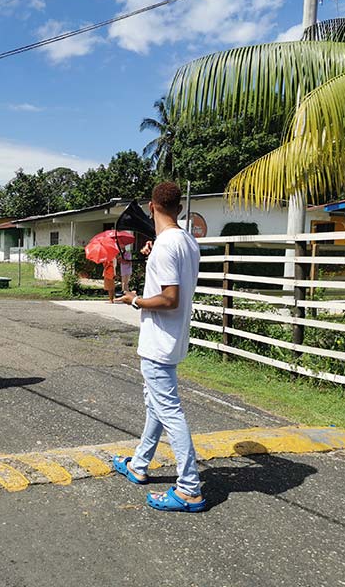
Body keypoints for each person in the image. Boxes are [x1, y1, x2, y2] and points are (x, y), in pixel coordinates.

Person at [113, 181, 205, 513]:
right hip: (174, 339)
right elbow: (174, 279)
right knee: (156, 404)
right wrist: (155, 257)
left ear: (152, 206)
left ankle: (190, 488)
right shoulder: (187, 242)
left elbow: (169, 298)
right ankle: (139, 465)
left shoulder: (166, 246)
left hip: (158, 343)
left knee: (169, 411)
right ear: (179, 208)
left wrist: (134, 299)